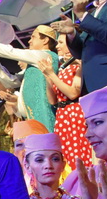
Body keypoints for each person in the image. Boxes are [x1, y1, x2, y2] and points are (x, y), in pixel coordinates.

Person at [34, 35, 94, 166]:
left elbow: (73, 93)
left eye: (61, 42)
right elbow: (52, 100)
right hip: (62, 115)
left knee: (78, 153)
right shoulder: (62, 68)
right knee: (65, 153)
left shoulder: (80, 65)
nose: (57, 46)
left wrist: (51, 74)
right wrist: (48, 76)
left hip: (75, 114)